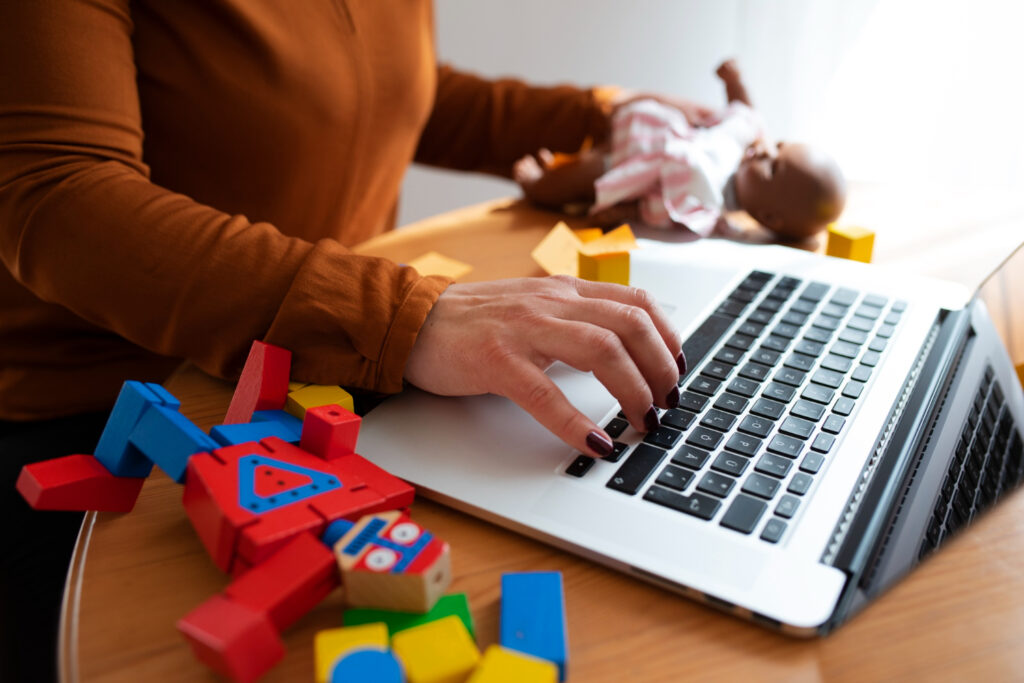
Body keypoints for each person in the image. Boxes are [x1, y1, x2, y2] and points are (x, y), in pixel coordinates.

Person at [0, 2, 701, 679]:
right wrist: (403, 316)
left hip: (330, 369)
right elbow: (59, 196)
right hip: (100, 413)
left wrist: (602, 117)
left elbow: (384, 87)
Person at [515, 60, 847, 240]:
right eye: (779, 146)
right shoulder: (747, 141)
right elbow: (746, 112)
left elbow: (661, 213)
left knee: (587, 175)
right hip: (644, 129)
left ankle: (540, 185)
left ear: (768, 216)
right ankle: (560, 166)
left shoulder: (707, 202)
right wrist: (734, 82)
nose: (766, 152)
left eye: (773, 168)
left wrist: (628, 213)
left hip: (629, 166)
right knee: (590, 145)